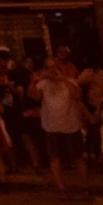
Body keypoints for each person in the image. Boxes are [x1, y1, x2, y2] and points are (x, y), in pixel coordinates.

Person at [30, 57, 87, 193]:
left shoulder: (69, 82)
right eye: (48, 68)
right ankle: (60, 186)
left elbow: (78, 95)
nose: (52, 71)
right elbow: (34, 96)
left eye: (54, 67)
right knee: (54, 156)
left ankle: (84, 186)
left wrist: (63, 79)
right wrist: (33, 82)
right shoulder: (43, 83)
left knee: (78, 157)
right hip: (51, 126)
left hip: (71, 125)